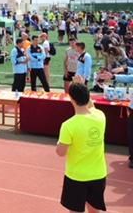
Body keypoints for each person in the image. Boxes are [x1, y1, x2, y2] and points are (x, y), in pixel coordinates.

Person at [56, 79, 107, 212]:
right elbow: (91, 106)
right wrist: (82, 87)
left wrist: (59, 144)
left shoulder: (68, 125)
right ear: (88, 96)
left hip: (76, 176)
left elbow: (61, 152)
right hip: (98, 174)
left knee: (75, 211)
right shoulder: (100, 116)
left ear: (71, 99)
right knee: (94, 210)